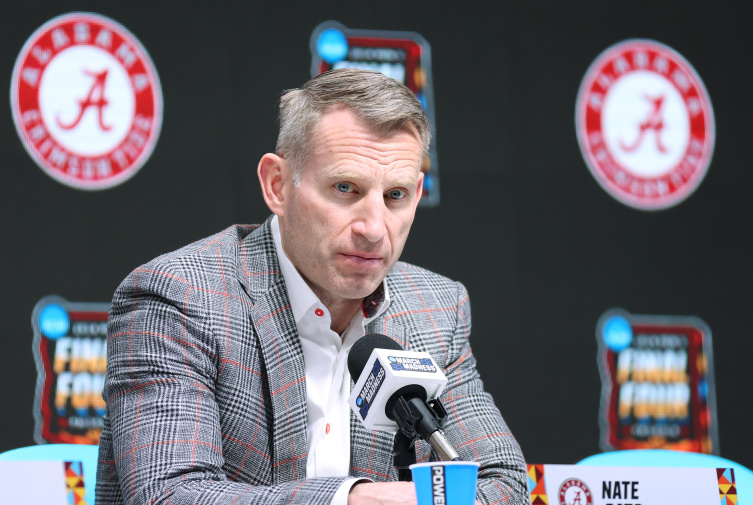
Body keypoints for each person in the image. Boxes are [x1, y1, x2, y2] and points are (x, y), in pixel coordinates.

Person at [96, 68, 527, 505]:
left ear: (417, 194)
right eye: (346, 188)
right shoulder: (179, 299)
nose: (375, 229)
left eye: (395, 196)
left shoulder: (435, 308)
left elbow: (504, 485)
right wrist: (353, 500)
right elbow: (169, 495)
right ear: (277, 185)